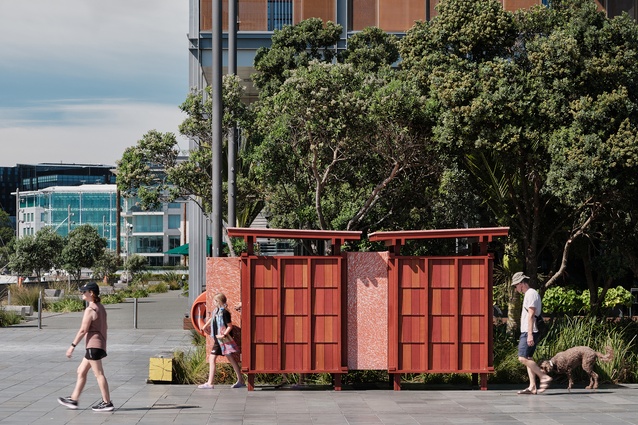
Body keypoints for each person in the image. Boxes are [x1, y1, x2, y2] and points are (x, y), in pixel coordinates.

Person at [57, 282, 114, 411]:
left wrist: (72, 346)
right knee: (81, 371)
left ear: (91, 293)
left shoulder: (90, 309)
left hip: (93, 345)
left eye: (84, 291)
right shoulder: (100, 307)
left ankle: (107, 402)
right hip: (97, 344)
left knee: (99, 374)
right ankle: (74, 400)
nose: (82, 293)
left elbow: (83, 330)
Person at [512, 272, 552, 394]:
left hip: (530, 331)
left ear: (521, 284)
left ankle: (543, 376)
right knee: (528, 358)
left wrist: (529, 334)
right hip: (528, 330)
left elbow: (531, 315)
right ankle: (532, 386)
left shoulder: (531, 294)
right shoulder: (529, 294)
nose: (515, 288)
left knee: (522, 358)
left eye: (515, 285)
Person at [197, 292, 246, 389]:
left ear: (219, 301)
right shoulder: (216, 311)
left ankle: (210, 383)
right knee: (229, 358)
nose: (214, 302)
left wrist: (223, 335)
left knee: (213, 358)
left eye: (215, 301)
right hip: (218, 339)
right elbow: (212, 318)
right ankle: (240, 380)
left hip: (222, 340)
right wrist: (205, 326)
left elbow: (229, 326)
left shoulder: (224, 313)